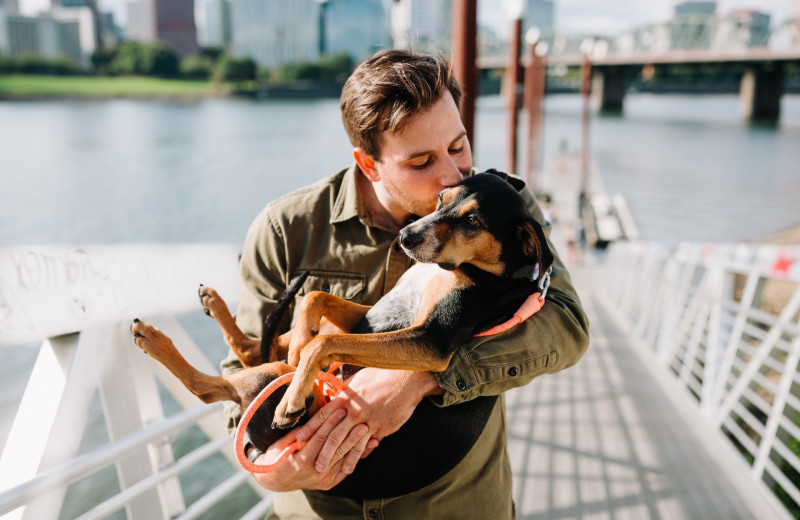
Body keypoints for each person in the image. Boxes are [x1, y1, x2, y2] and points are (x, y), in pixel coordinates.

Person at [220, 49, 589, 519]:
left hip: (458, 508)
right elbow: (241, 373)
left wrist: (421, 375)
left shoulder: (504, 207)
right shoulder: (283, 229)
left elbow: (568, 325)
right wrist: (269, 467)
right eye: (421, 162)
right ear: (369, 165)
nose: (452, 175)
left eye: (459, 146)